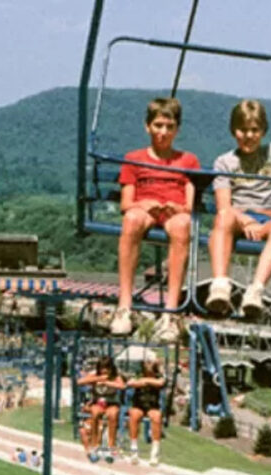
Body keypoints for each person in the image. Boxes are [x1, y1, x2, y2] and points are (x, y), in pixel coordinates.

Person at [206, 99, 271, 318]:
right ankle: (220, 285)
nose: (249, 136)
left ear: (263, 131)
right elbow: (224, 205)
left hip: (266, 220)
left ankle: (255, 290)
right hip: (238, 219)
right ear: (234, 131)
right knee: (223, 217)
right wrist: (245, 221)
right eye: (243, 130)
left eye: (254, 130)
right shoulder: (225, 162)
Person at [113, 97, 200, 342]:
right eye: (158, 125)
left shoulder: (188, 161)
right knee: (131, 220)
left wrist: (178, 206)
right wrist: (144, 204)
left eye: (169, 127)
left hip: (174, 212)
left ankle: (170, 313)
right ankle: (124, 306)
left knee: (183, 226)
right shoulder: (134, 158)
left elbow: (190, 205)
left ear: (177, 129)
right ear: (148, 126)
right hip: (144, 209)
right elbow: (126, 203)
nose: (163, 132)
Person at [77, 356, 125, 463]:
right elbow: (80, 382)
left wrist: (107, 382)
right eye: (102, 368)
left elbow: (122, 386)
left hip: (111, 402)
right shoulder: (95, 374)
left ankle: (111, 446)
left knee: (112, 415)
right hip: (97, 402)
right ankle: (95, 445)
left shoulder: (115, 376)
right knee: (95, 413)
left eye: (107, 368)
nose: (105, 371)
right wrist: (98, 379)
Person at [126, 358, 166, 466]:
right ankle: (134, 450)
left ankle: (154, 453)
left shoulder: (158, 376)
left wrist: (145, 381)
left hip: (152, 405)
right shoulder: (137, 374)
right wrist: (146, 381)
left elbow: (160, 383)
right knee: (134, 415)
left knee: (157, 417)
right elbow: (131, 383)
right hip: (139, 404)